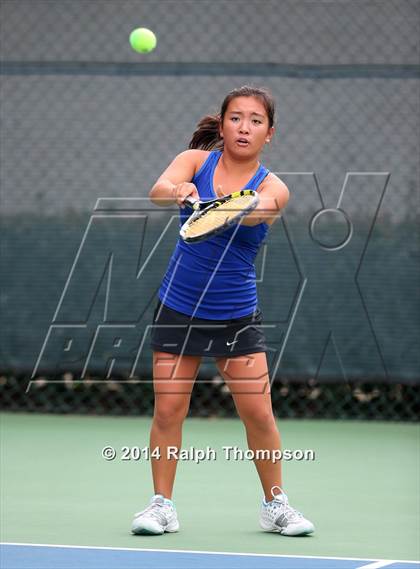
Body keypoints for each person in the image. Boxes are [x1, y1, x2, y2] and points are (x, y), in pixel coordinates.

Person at [131, 86, 314, 537]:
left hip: (235, 316)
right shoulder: (195, 161)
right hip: (179, 308)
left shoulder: (274, 186)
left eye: (255, 120)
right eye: (236, 118)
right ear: (223, 123)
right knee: (169, 411)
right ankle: (161, 506)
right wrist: (179, 189)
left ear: (269, 132)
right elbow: (157, 191)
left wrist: (228, 207)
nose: (244, 127)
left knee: (259, 415)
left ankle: (275, 506)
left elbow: (257, 213)